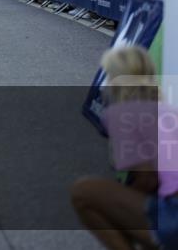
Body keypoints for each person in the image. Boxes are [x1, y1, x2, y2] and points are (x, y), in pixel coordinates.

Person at [71, 46, 177, 250]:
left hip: (173, 214)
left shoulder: (124, 113)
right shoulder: (167, 109)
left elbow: (147, 177)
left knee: (83, 192)